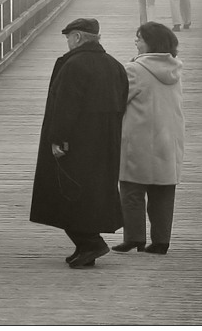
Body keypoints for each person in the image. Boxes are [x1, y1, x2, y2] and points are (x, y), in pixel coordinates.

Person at [30, 18, 128, 269]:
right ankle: (84, 247)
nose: (67, 43)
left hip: (75, 143)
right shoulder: (114, 66)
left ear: (77, 37)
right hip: (105, 143)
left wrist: (58, 139)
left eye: (68, 38)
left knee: (66, 192)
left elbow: (65, 106)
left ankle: (91, 242)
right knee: (92, 194)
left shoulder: (73, 65)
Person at [114, 22, 184, 255]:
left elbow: (119, 100)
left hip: (140, 136)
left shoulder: (134, 69)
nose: (135, 41)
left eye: (139, 38)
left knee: (131, 189)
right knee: (163, 191)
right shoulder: (175, 69)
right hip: (168, 137)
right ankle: (161, 241)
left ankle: (134, 237)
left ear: (150, 43)